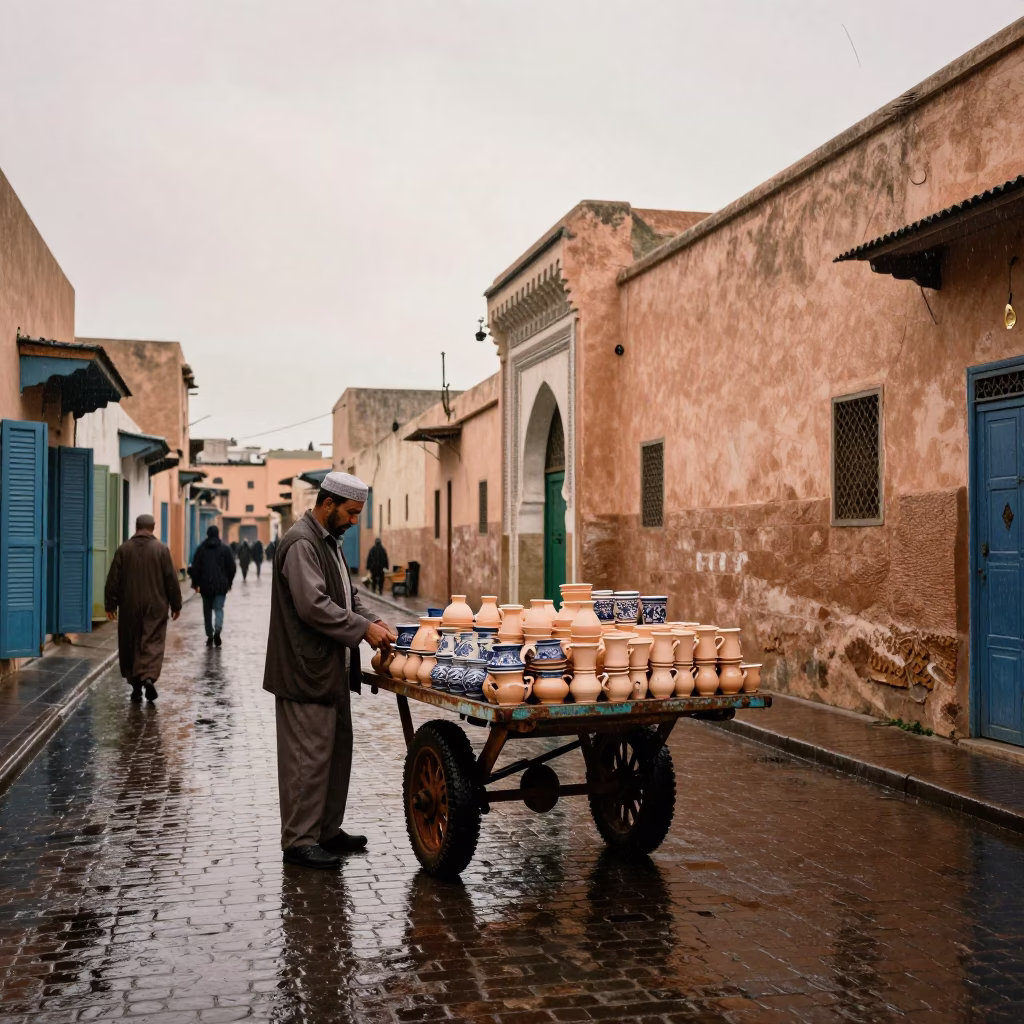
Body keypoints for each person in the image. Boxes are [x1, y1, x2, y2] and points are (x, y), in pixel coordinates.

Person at [263, 472, 397, 870]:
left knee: (335, 753)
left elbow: (348, 597)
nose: (355, 521)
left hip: (331, 671)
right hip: (305, 672)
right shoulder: (302, 543)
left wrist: (376, 621)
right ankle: (300, 841)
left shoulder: (329, 543)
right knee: (307, 758)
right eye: (351, 513)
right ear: (328, 504)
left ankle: (327, 830)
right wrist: (363, 631)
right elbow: (314, 606)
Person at [104, 513, 182, 703]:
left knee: (131, 644)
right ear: (153, 527)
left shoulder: (124, 550)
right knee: (152, 642)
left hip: (129, 605)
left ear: (136, 526)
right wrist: (176, 604)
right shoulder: (161, 550)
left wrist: (110, 604)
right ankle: (148, 676)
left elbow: (113, 580)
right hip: (155, 606)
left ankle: (136, 686)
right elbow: (171, 580)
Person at [188, 524, 237, 647]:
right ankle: (218, 630)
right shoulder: (225, 549)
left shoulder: (201, 549)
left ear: (207, 534)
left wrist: (195, 583)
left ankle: (210, 635)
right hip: (221, 586)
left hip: (205, 586)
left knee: (207, 611)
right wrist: (229, 582)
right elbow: (232, 568)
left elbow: (195, 568)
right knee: (219, 608)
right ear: (218, 534)